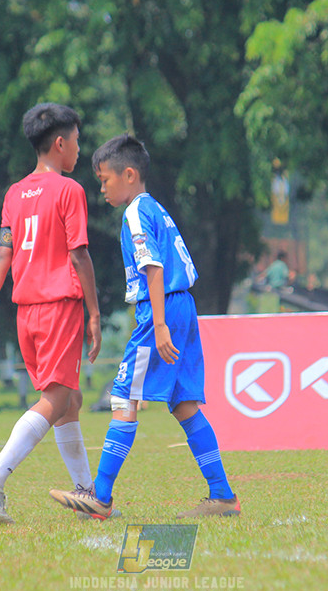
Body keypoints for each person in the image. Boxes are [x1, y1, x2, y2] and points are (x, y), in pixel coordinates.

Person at [49, 134, 240, 520]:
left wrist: (160, 324)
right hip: (182, 304)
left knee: (123, 398)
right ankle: (222, 496)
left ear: (130, 174)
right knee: (184, 404)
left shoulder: (135, 212)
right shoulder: (157, 209)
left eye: (105, 179)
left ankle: (99, 498)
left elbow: (152, 267)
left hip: (162, 310)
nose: (101, 187)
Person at [0, 102, 102, 525]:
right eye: (76, 141)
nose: (79, 149)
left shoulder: (14, 194)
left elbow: (4, 255)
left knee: (70, 400)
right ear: (60, 144)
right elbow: (78, 255)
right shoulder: (69, 190)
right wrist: (94, 313)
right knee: (57, 397)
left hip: (26, 311)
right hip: (59, 305)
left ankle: (87, 493)